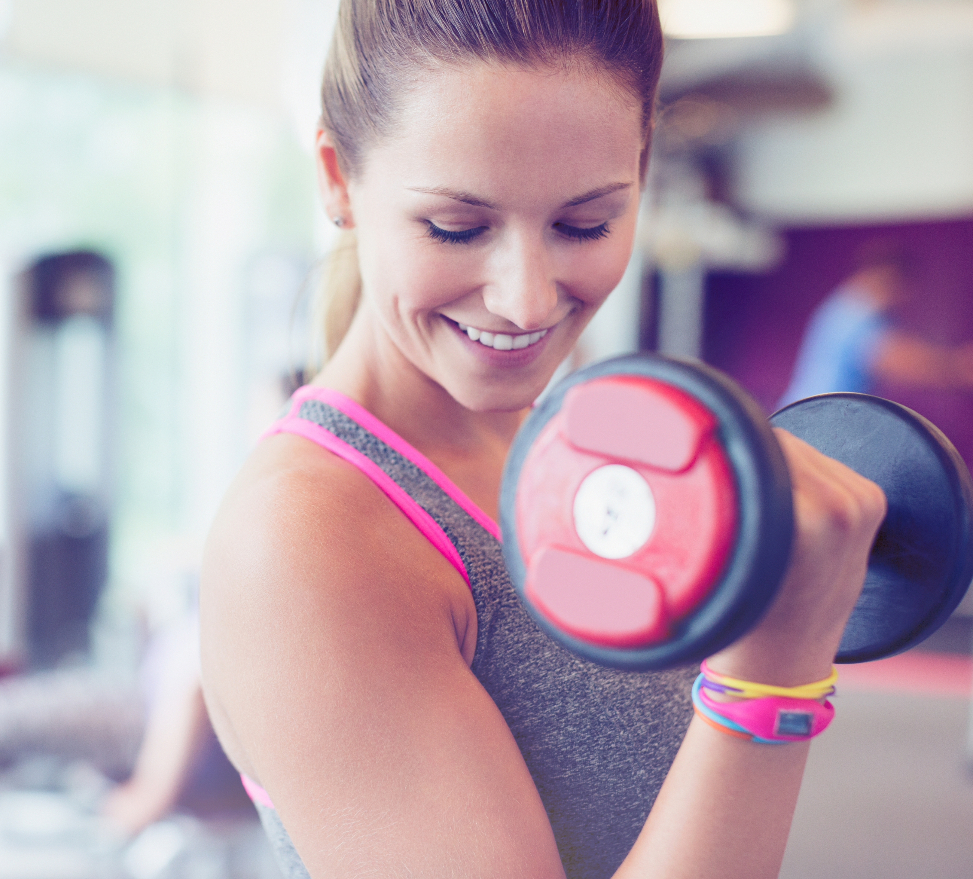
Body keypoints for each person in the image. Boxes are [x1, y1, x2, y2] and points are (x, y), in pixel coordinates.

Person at [199, 2, 886, 877]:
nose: (525, 300)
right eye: (457, 226)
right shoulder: (302, 540)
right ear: (337, 178)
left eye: (585, 223)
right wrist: (770, 675)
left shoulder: (568, 456)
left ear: (639, 171)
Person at [780, 243, 973, 407]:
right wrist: (958, 367)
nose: (904, 298)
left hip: (814, 421)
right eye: (903, 288)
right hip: (809, 427)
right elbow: (903, 361)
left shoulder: (850, 306)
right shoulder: (854, 310)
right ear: (887, 277)